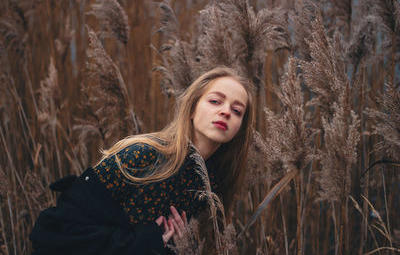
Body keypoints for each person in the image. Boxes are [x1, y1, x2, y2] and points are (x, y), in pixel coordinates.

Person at [29, 67, 255, 254]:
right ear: (191, 110)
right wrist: (146, 242)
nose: (226, 112)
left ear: (240, 128)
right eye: (216, 101)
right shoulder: (143, 155)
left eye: (237, 111)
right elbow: (60, 230)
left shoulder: (209, 182)